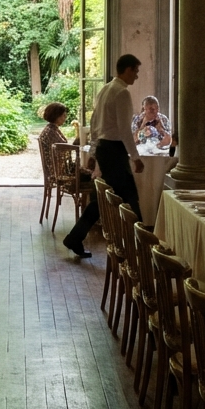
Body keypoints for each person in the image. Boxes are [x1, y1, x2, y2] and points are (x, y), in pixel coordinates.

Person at [62, 54, 144, 258]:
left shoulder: (105, 90)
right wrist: (135, 157)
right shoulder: (122, 93)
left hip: (106, 149)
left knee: (104, 199)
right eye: (135, 71)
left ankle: (75, 237)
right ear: (126, 70)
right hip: (115, 151)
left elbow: (95, 124)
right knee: (130, 197)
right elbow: (125, 129)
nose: (136, 76)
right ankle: (142, 248)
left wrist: (93, 151)